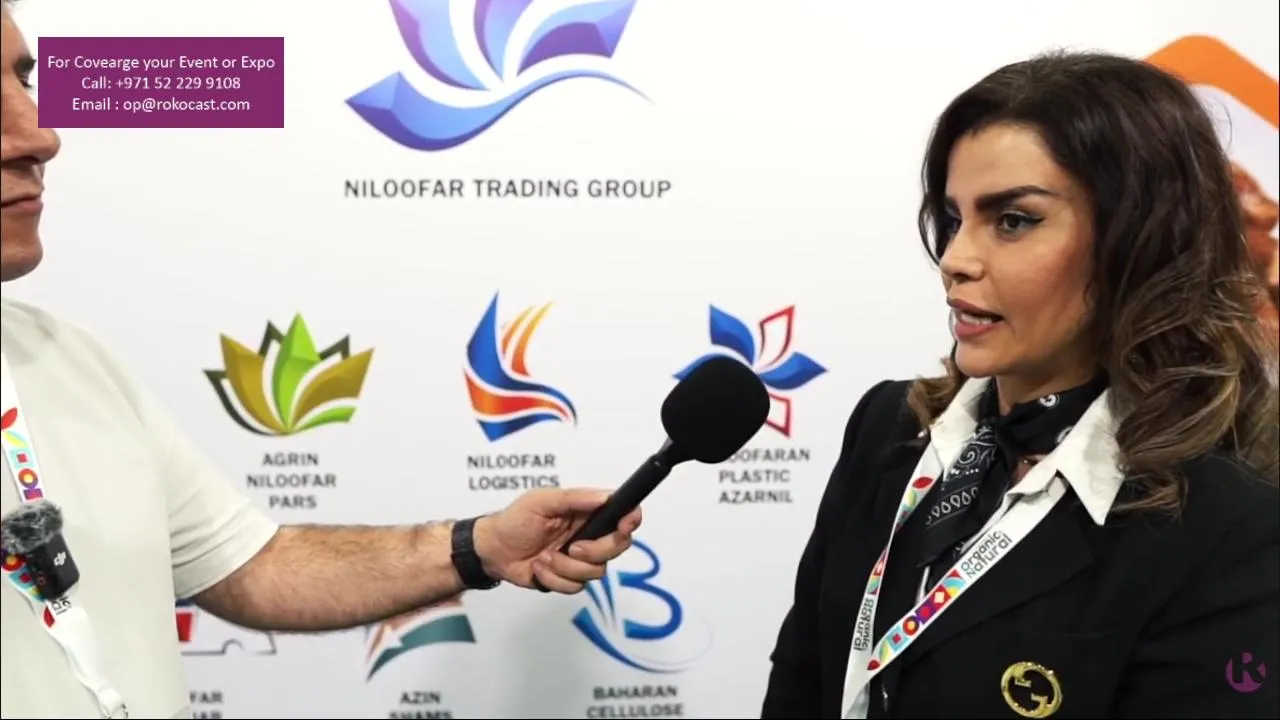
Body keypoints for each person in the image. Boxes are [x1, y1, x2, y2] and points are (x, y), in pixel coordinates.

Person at [0, 5, 641, 719]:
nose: (39, 135)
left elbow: (252, 567)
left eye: (23, 81)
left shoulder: (69, 359)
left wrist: (481, 545)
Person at [761, 50, 1280, 719]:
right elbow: (804, 680)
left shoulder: (1229, 525)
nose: (954, 259)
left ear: (1141, 240)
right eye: (954, 218)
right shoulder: (888, 424)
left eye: (1013, 220)